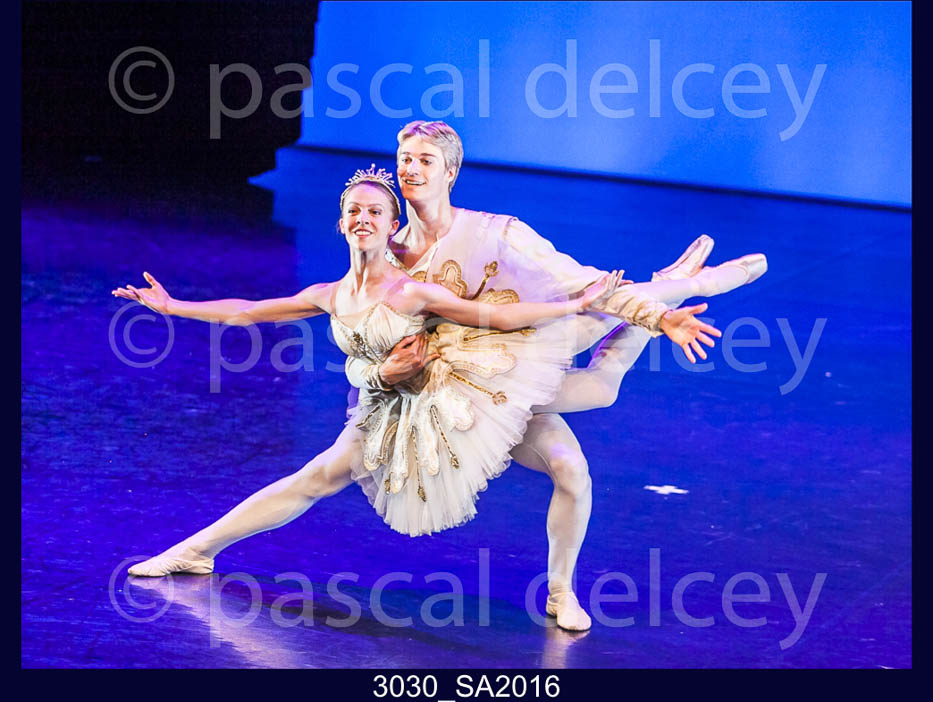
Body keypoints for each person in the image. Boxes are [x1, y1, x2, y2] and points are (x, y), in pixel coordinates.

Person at [344, 121, 768, 630]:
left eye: (425, 160)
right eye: (405, 159)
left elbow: (585, 285)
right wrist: (378, 374)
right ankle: (674, 285)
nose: (411, 169)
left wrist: (659, 316)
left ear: (450, 172)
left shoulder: (495, 231)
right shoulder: (384, 250)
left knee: (575, 442)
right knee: (600, 389)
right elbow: (356, 329)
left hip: (507, 360)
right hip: (449, 396)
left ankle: (561, 591)